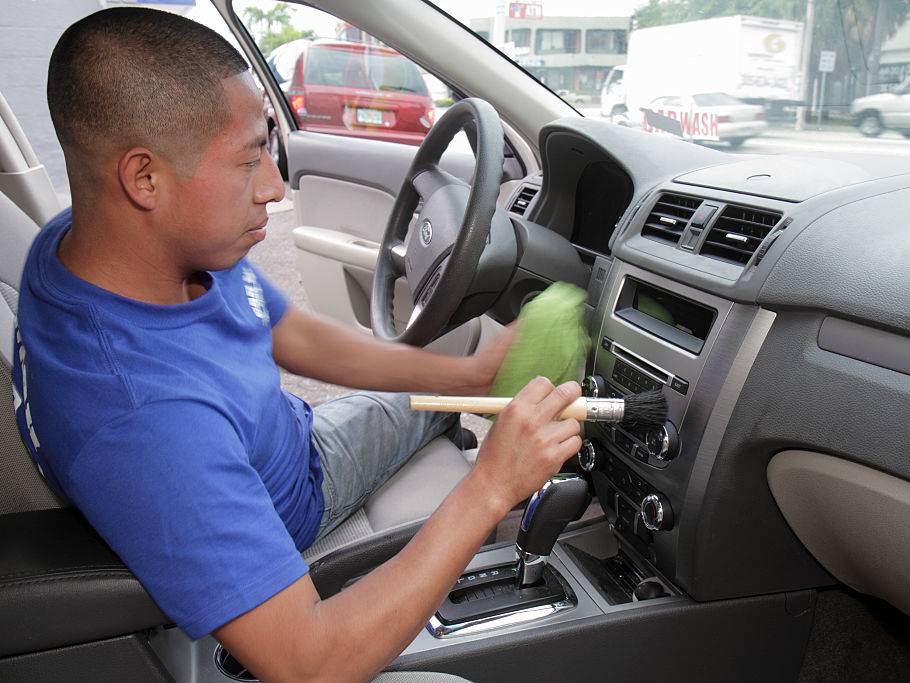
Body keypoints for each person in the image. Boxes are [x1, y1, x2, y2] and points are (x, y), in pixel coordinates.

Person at [11, 8, 582, 682]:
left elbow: (287, 329)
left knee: (452, 389)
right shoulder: (144, 421)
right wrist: (491, 486)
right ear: (144, 179)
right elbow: (310, 662)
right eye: (250, 157)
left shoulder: (114, 245)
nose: (275, 187)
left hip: (284, 443)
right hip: (294, 508)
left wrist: (476, 372)